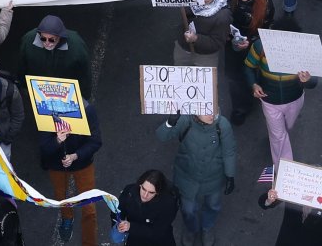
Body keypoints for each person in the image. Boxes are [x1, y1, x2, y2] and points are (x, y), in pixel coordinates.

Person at [243, 14, 317, 167]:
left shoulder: (304, 50)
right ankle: (284, 171)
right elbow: (248, 67)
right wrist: (254, 85)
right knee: (279, 136)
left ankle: (276, 136)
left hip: (295, 99)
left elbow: (314, 82)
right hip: (269, 101)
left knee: (286, 128)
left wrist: (307, 80)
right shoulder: (260, 46)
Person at [154, 112, 236, 246]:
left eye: (214, 110)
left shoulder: (222, 124)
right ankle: (191, 228)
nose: (212, 115)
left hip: (213, 177)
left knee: (213, 206)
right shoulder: (185, 121)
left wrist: (230, 175)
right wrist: (170, 122)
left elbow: (229, 151)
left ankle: (207, 227)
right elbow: (161, 136)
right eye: (207, 112)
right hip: (187, 177)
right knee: (188, 209)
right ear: (196, 111)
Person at [39, 103, 102, 245]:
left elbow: (95, 141)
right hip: (57, 164)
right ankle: (67, 217)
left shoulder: (87, 109)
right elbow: (44, 147)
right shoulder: (46, 110)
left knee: (89, 204)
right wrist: (57, 141)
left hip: (82, 163)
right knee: (61, 196)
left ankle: (89, 241)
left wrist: (76, 156)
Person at [225, 0, 274, 124]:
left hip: (252, 45)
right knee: (234, 77)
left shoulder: (265, 4)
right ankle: (240, 108)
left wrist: (251, 43)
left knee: (252, 73)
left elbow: (266, 31)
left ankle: (254, 95)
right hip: (231, 43)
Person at [16, 15, 93, 100]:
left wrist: (84, 96)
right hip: (39, 91)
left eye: (52, 39)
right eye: (43, 39)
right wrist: (22, 86)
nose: (47, 43)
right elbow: (21, 65)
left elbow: (84, 73)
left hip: (64, 93)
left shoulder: (77, 46)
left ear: (60, 37)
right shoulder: (28, 40)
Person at [173, 0, 231, 68]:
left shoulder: (223, 15)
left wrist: (196, 38)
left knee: (205, 81)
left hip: (205, 56)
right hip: (183, 47)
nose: (203, 0)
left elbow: (217, 43)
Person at [111, 169, 178, 246]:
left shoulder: (168, 203)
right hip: (135, 240)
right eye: (143, 189)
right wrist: (118, 224)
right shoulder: (129, 192)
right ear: (140, 184)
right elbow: (118, 210)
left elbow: (158, 231)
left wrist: (131, 227)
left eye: (151, 192)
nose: (145, 195)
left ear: (158, 192)